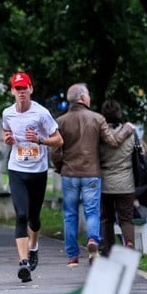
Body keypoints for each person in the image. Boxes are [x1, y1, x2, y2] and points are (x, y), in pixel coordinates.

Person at [56, 83, 134, 266]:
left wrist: (60, 166)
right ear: (83, 98)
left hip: (69, 173)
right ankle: (93, 241)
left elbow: (55, 151)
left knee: (69, 214)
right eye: (88, 94)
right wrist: (127, 129)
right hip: (91, 173)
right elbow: (113, 142)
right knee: (92, 212)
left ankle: (73, 255)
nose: (89, 98)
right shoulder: (97, 119)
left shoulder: (61, 122)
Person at [1, 71, 63, 282]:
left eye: (24, 88)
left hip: (38, 171)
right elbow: (6, 132)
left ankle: (33, 246)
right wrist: (7, 139)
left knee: (34, 219)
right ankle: (23, 262)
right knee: (21, 215)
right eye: (17, 89)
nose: (21, 92)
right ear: (12, 91)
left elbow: (59, 140)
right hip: (17, 169)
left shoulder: (41, 113)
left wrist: (40, 140)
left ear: (31, 89)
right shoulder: (7, 113)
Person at [97, 99, 137, 255]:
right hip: (126, 182)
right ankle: (129, 245)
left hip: (105, 183)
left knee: (106, 219)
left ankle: (108, 250)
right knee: (126, 219)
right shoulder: (131, 134)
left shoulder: (100, 136)